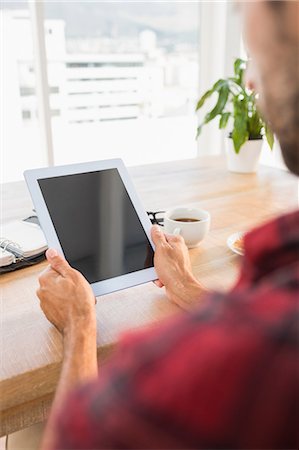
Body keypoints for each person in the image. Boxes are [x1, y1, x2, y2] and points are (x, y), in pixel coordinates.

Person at [35, 1, 298, 449]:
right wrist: (186, 287)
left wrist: (80, 321)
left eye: (259, 51)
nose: (250, 80)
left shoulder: (270, 351)